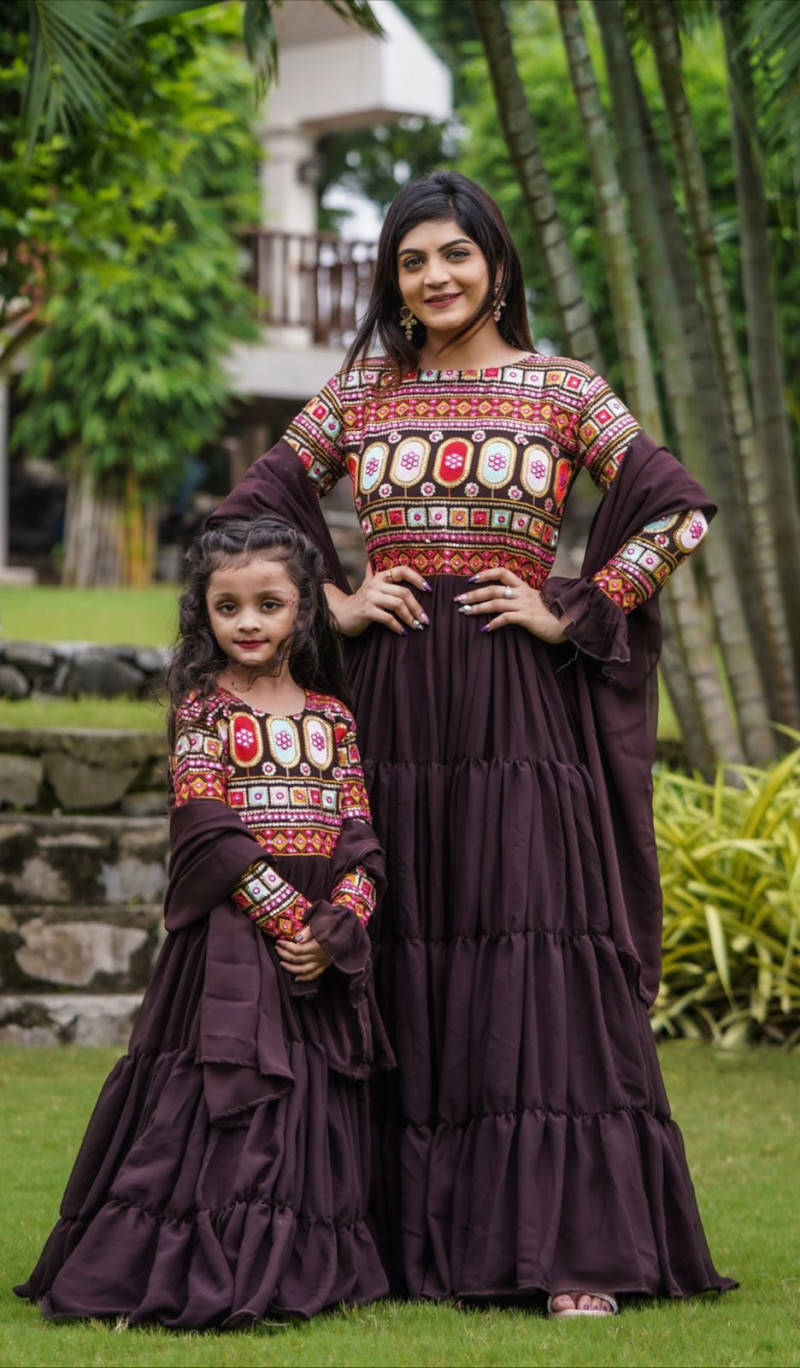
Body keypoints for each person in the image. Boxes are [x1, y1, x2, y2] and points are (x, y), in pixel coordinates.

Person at [209, 171, 735, 1317]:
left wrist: (578, 606)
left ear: (495, 261)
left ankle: (569, 1256)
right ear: (393, 282)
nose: (435, 277)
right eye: (411, 261)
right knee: (398, 942)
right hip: (391, 710)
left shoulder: (561, 389)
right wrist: (333, 598)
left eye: (454, 254)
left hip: (512, 712)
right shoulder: (361, 392)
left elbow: (675, 508)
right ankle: (386, 1248)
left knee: (531, 947)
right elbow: (247, 508)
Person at [15, 516, 393, 1329]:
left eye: (268, 604)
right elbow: (207, 830)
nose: (249, 623)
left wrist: (338, 926)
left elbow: (360, 835)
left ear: (304, 611)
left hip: (313, 954)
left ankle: (291, 1269)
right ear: (204, 615)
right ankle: (172, 1267)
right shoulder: (202, 712)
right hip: (232, 941)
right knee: (211, 1101)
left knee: (302, 1111)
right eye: (229, 608)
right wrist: (292, 920)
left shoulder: (334, 717)